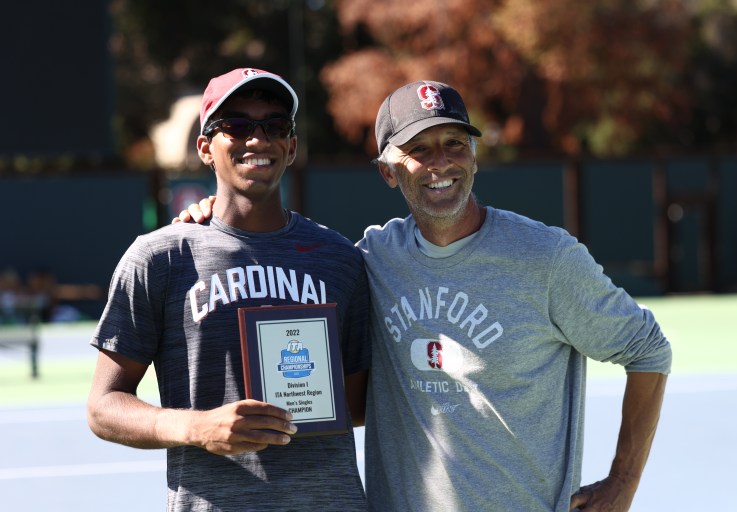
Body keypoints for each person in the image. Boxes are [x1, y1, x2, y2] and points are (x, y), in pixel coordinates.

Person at [178, 80, 672, 512]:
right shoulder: (371, 258)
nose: (441, 163)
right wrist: (216, 218)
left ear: (474, 157)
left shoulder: (546, 258)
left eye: (454, 143)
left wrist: (622, 484)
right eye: (419, 150)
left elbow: (648, 349)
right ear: (389, 172)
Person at [88, 68, 370, 511]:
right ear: (205, 148)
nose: (257, 139)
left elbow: (356, 403)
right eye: (236, 125)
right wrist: (197, 428)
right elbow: (103, 407)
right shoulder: (160, 258)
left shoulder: (341, 258)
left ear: (291, 146)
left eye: (275, 126)